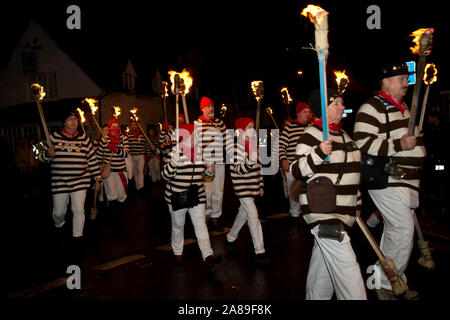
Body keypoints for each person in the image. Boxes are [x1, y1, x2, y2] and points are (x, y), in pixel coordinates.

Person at [353, 61, 426, 300]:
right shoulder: (372, 106)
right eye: (401, 79)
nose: (406, 83)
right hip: (389, 178)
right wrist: (400, 144)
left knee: (395, 233)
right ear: (386, 82)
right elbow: (362, 142)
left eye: (407, 78)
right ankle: (386, 283)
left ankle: (392, 281)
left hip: (408, 180)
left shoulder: (404, 107)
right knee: (403, 230)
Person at [291, 88, 367, 300]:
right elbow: (296, 170)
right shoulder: (311, 135)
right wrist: (318, 153)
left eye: (342, 103)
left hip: (344, 213)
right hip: (323, 213)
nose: (342, 107)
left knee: (322, 270)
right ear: (322, 110)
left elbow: (353, 174)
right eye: (336, 103)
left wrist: (356, 204)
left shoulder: (344, 135)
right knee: (348, 272)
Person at [39, 109, 102, 258]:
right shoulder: (52, 138)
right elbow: (39, 156)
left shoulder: (85, 139)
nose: (73, 121)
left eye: (75, 118)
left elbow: (92, 161)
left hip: (80, 181)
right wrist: (47, 154)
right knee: (59, 213)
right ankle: (59, 227)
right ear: (64, 122)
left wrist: (98, 178)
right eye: (69, 118)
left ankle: (77, 242)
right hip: (59, 183)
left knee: (78, 209)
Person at [162, 123, 222, 268]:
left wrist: (210, 170)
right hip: (177, 194)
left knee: (200, 223)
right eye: (194, 134)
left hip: (196, 194)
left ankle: (208, 255)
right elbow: (166, 175)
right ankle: (178, 253)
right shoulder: (173, 152)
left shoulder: (201, 152)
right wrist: (173, 163)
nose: (197, 137)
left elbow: (204, 175)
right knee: (178, 225)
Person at [226, 117, 268, 264]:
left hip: (252, 186)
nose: (252, 129)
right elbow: (238, 170)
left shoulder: (254, 146)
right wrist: (250, 160)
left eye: (253, 126)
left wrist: (260, 184)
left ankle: (231, 237)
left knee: (243, 214)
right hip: (242, 187)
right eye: (249, 127)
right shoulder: (236, 148)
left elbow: (259, 169)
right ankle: (260, 251)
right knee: (253, 216)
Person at [194, 97, 227, 231]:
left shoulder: (220, 123)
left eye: (212, 106)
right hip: (206, 162)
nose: (210, 108)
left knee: (218, 190)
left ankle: (215, 217)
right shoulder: (197, 123)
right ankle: (206, 215)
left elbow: (227, 141)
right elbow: (195, 144)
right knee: (208, 190)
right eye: (207, 106)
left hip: (219, 160)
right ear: (202, 109)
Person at [279, 102, 313, 219]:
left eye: (309, 112)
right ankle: (295, 213)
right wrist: (283, 160)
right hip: (292, 165)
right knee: (293, 189)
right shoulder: (289, 127)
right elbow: (281, 145)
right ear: (298, 113)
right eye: (305, 112)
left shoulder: (310, 128)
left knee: (308, 189)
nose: (307, 114)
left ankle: (308, 211)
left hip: (307, 165)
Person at [96, 118, 130, 231]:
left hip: (121, 172)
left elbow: (125, 154)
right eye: (113, 126)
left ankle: (120, 217)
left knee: (121, 196)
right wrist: (96, 171)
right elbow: (99, 156)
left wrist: (116, 149)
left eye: (117, 126)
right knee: (112, 195)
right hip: (109, 172)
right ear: (110, 128)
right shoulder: (104, 139)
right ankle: (115, 220)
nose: (115, 128)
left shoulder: (123, 138)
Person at [127, 120, 154, 192]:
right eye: (132, 125)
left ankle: (141, 186)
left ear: (138, 126)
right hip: (132, 156)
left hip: (140, 156)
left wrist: (148, 155)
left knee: (140, 171)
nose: (133, 126)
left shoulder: (142, 135)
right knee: (135, 172)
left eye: (135, 125)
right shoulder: (128, 135)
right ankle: (137, 186)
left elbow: (147, 145)